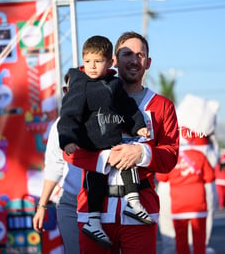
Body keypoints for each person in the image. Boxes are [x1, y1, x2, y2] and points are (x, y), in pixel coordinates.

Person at [63, 31, 179, 253]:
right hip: (94, 211)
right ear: (113, 60)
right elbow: (68, 150)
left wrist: (141, 153)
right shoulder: (85, 93)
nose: (134, 60)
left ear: (148, 62)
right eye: (127, 54)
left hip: (141, 210)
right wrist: (106, 157)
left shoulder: (162, 106)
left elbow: (170, 156)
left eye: (140, 55)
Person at [33, 73, 83, 254]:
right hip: (70, 204)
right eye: (70, 89)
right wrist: (42, 206)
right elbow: (54, 167)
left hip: (102, 204)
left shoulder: (104, 119)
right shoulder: (59, 125)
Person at [156, 146, 215, 254]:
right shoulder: (199, 155)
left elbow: (161, 177)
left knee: (181, 239)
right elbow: (210, 177)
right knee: (199, 238)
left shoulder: (171, 157)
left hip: (179, 206)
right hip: (198, 205)